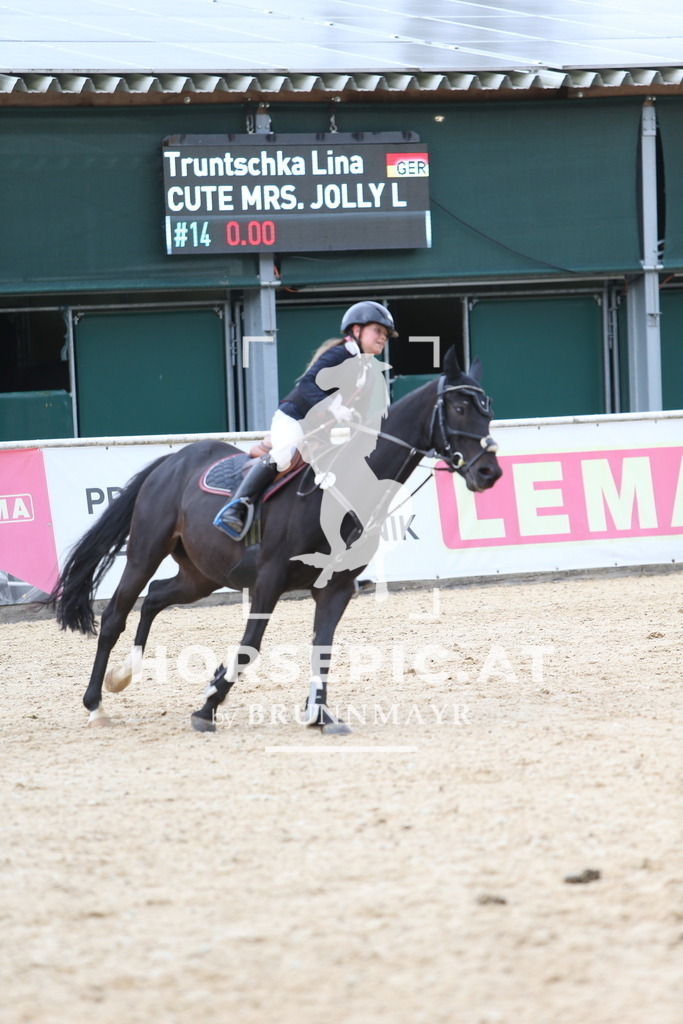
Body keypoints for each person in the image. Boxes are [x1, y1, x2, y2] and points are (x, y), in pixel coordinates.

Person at [213, 300, 397, 540]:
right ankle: (237, 506)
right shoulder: (340, 354)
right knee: (284, 455)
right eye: (378, 331)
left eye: (386, 334)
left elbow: (361, 414)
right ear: (356, 330)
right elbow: (307, 384)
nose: (383, 338)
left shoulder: (369, 373)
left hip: (319, 433)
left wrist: (358, 420)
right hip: (293, 419)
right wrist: (334, 407)